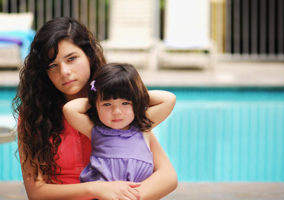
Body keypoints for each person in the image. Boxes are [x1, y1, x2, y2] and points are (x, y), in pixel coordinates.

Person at [13, 17, 177, 200]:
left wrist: (128, 96)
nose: (64, 71)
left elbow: (168, 176)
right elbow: (36, 192)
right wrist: (96, 189)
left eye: (71, 58)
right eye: (52, 66)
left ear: (89, 56)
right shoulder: (34, 115)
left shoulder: (115, 112)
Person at [63, 63, 175, 184]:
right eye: (107, 104)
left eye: (125, 103)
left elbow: (169, 99)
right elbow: (70, 109)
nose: (116, 112)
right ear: (96, 106)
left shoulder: (142, 128)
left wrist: (137, 95)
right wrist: (96, 98)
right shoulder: (95, 130)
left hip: (140, 194)